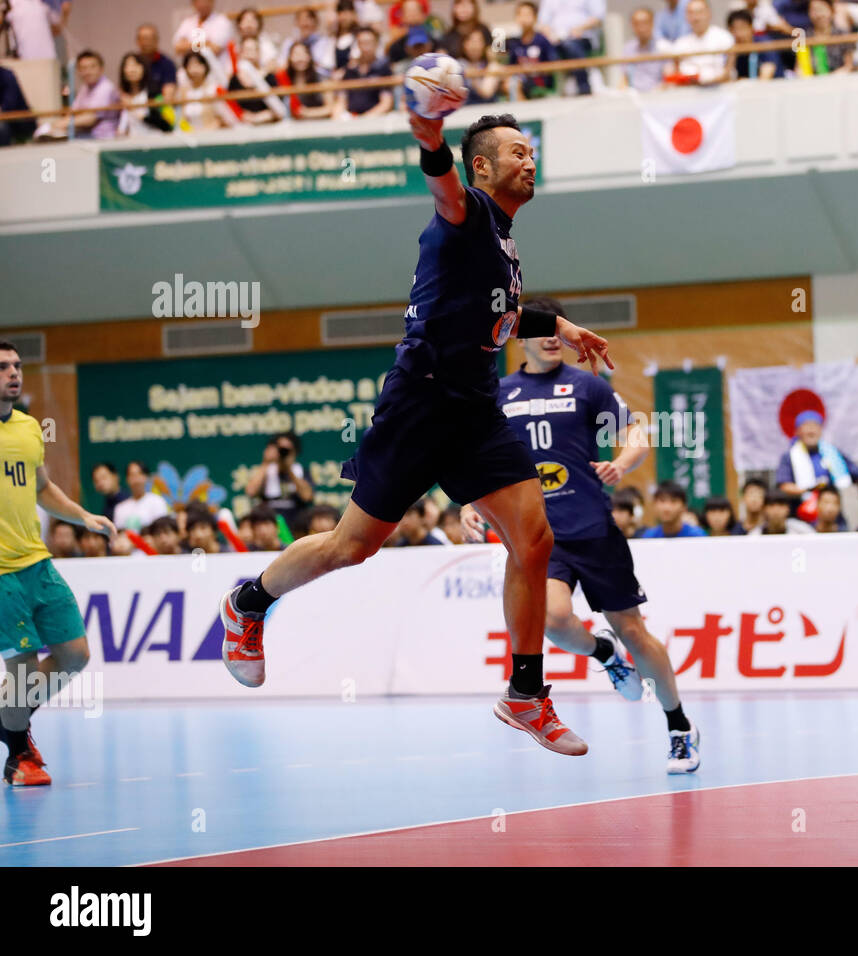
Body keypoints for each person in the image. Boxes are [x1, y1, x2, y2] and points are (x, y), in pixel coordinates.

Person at [218, 112, 612, 759]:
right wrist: (429, 134)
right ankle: (249, 602)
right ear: (481, 166)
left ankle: (524, 693)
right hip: (421, 403)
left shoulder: (501, 238)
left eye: (532, 151)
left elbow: (489, 310)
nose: (529, 161)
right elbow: (443, 189)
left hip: (477, 411)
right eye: (517, 152)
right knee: (353, 546)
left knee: (534, 539)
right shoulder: (467, 213)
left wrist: (556, 323)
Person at [462, 302, 700, 771]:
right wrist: (471, 502)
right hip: (538, 533)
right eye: (540, 331)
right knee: (551, 619)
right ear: (520, 338)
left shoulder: (587, 386)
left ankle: (679, 725)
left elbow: (636, 432)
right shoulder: (501, 393)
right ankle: (603, 652)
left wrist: (623, 462)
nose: (551, 338)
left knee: (635, 630)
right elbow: (477, 456)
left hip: (593, 530)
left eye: (556, 330)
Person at [1, 339, 115, 786]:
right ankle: (17, 755)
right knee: (22, 669)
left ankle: (8, 714)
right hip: (1, 575)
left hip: (37, 563)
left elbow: (42, 487)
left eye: (17, 365)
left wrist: (83, 516)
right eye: (3, 367)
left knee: (74, 655)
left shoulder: (29, 428)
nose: (14, 373)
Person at [246, 432, 314, 527]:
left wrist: (289, 469)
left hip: (296, 524)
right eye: (279, 449)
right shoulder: (267, 471)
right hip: (270, 525)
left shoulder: (300, 471)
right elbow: (250, 491)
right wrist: (266, 462)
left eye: (286, 450)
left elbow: (307, 496)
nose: (282, 453)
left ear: (295, 452)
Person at [667, 0, 734, 85]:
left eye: (699, 12)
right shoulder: (680, 43)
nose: (695, 18)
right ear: (686, 17)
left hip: (719, 89)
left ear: (709, 13)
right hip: (688, 92)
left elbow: (729, 70)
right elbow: (675, 72)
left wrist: (709, 82)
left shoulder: (724, 37)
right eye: (691, 13)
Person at [334, 27, 392, 117]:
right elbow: (341, 100)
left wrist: (365, 118)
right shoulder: (349, 70)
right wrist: (339, 116)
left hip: (374, 119)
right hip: (350, 119)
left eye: (369, 42)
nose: (365, 47)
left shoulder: (383, 69)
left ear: (376, 44)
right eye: (362, 43)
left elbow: (386, 103)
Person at [509, 1, 561, 99]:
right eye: (520, 14)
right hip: (521, 81)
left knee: (515, 84)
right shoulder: (514, 42)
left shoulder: (542, 40)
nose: (524, 18)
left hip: (540, 81)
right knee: (512, 83)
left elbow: (554, 62)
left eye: (527, 15)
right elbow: (511, 67)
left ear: (535, 17)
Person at [112, 460, 170, 533]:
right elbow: (119, 535)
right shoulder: (120, 508)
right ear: (127, 479)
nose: (136, 480)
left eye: (139, 474)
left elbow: (162, 531)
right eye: (132, 475)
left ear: (146, 477)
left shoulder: (157, 501)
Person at [622, 6, 669, 91]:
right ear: (632, 25)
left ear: (652, 23)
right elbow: (624, 79)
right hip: (633, 95)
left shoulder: (663, 47)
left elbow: (668, 78)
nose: (641, 28)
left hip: (657, 95)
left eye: (644, 23)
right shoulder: (628, 48)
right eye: (637, 24)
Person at [640, 482, 708, 538]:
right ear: (654, 504)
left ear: (684, 506)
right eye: (662, 501)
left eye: (673, 501)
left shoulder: (696, 536)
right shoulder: (649, 537)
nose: (667, 508)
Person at [135, 23, 178, 101]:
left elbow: (169, 94)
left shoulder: (167, 64)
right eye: (144, 38)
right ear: (137, 41)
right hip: (134, 109)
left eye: (150, 38)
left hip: (160, 109)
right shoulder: (133, 63)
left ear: (157, 40)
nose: (147, 42)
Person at [750, 488, 814, 534]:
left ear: (788, 508)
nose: (776, 510)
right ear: (764, 509)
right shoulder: (755, 535)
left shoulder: (801, 531)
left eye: (781, 505)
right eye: (771, 505)